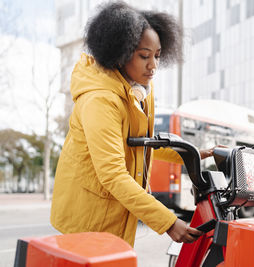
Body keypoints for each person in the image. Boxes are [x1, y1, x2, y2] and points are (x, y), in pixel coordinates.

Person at [50, 1, 213, 247]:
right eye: (144, 56)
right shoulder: (100, 99)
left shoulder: (138, 88)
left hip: (111, 214)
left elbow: (138, 141)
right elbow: (113, 174)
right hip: (88, 219)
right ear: (120, 53)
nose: (153, 66)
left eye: (157, 56)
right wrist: (167, 221)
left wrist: (188, 154)